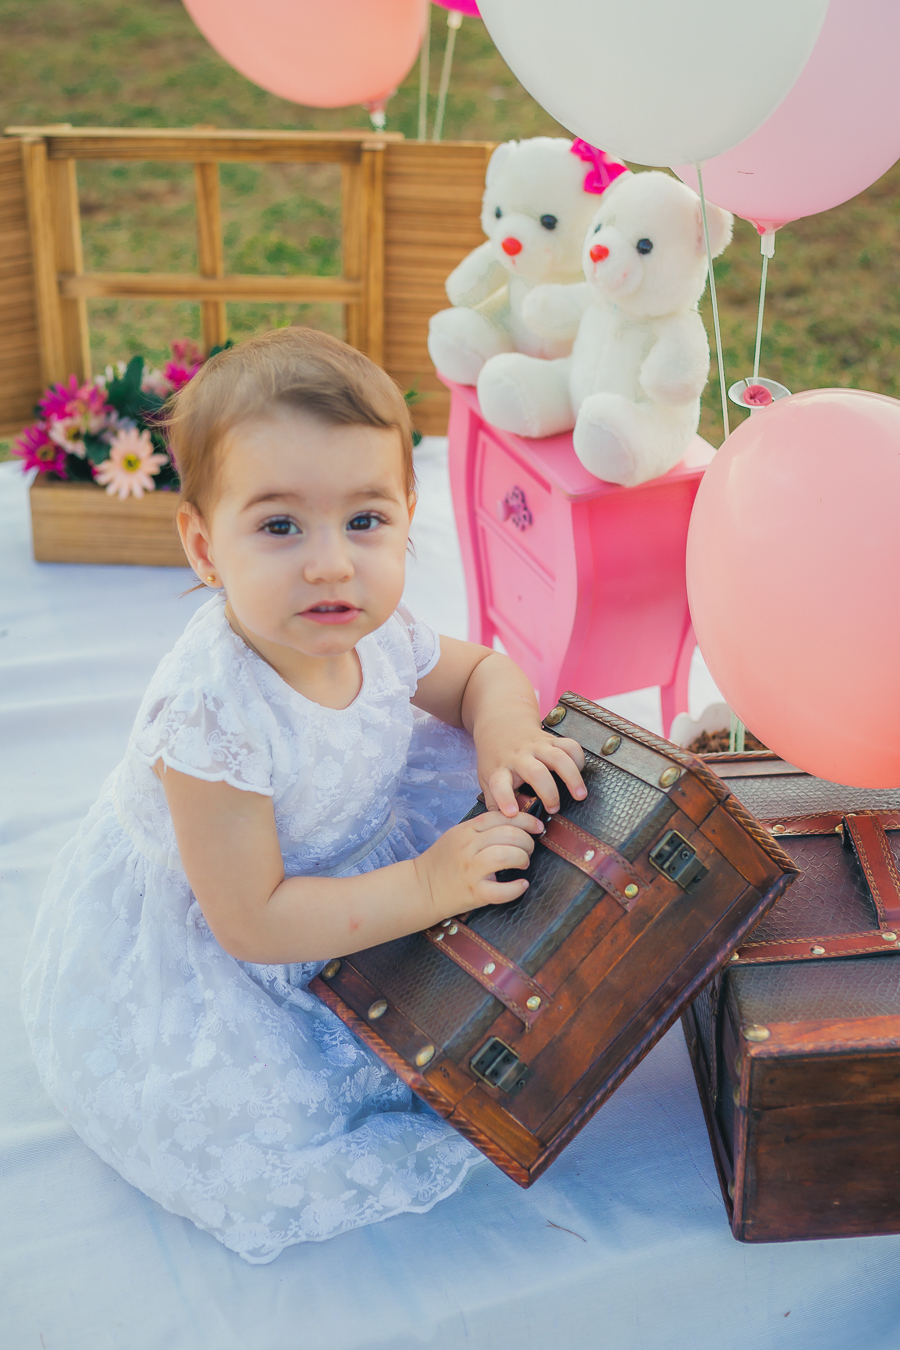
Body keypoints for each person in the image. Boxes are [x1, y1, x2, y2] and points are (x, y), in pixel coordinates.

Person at [21, 327, 586, 1263]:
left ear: (408, 516)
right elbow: (254, 920)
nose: (331, 563)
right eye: (280, 526)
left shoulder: (375, 630)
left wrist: (508, 733)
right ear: (205, 547)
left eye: (365, 522)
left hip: (350, 847)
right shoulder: (213, 715)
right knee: (276, 1118)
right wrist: (426, 888)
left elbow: (483, 671)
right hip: (245, 908)